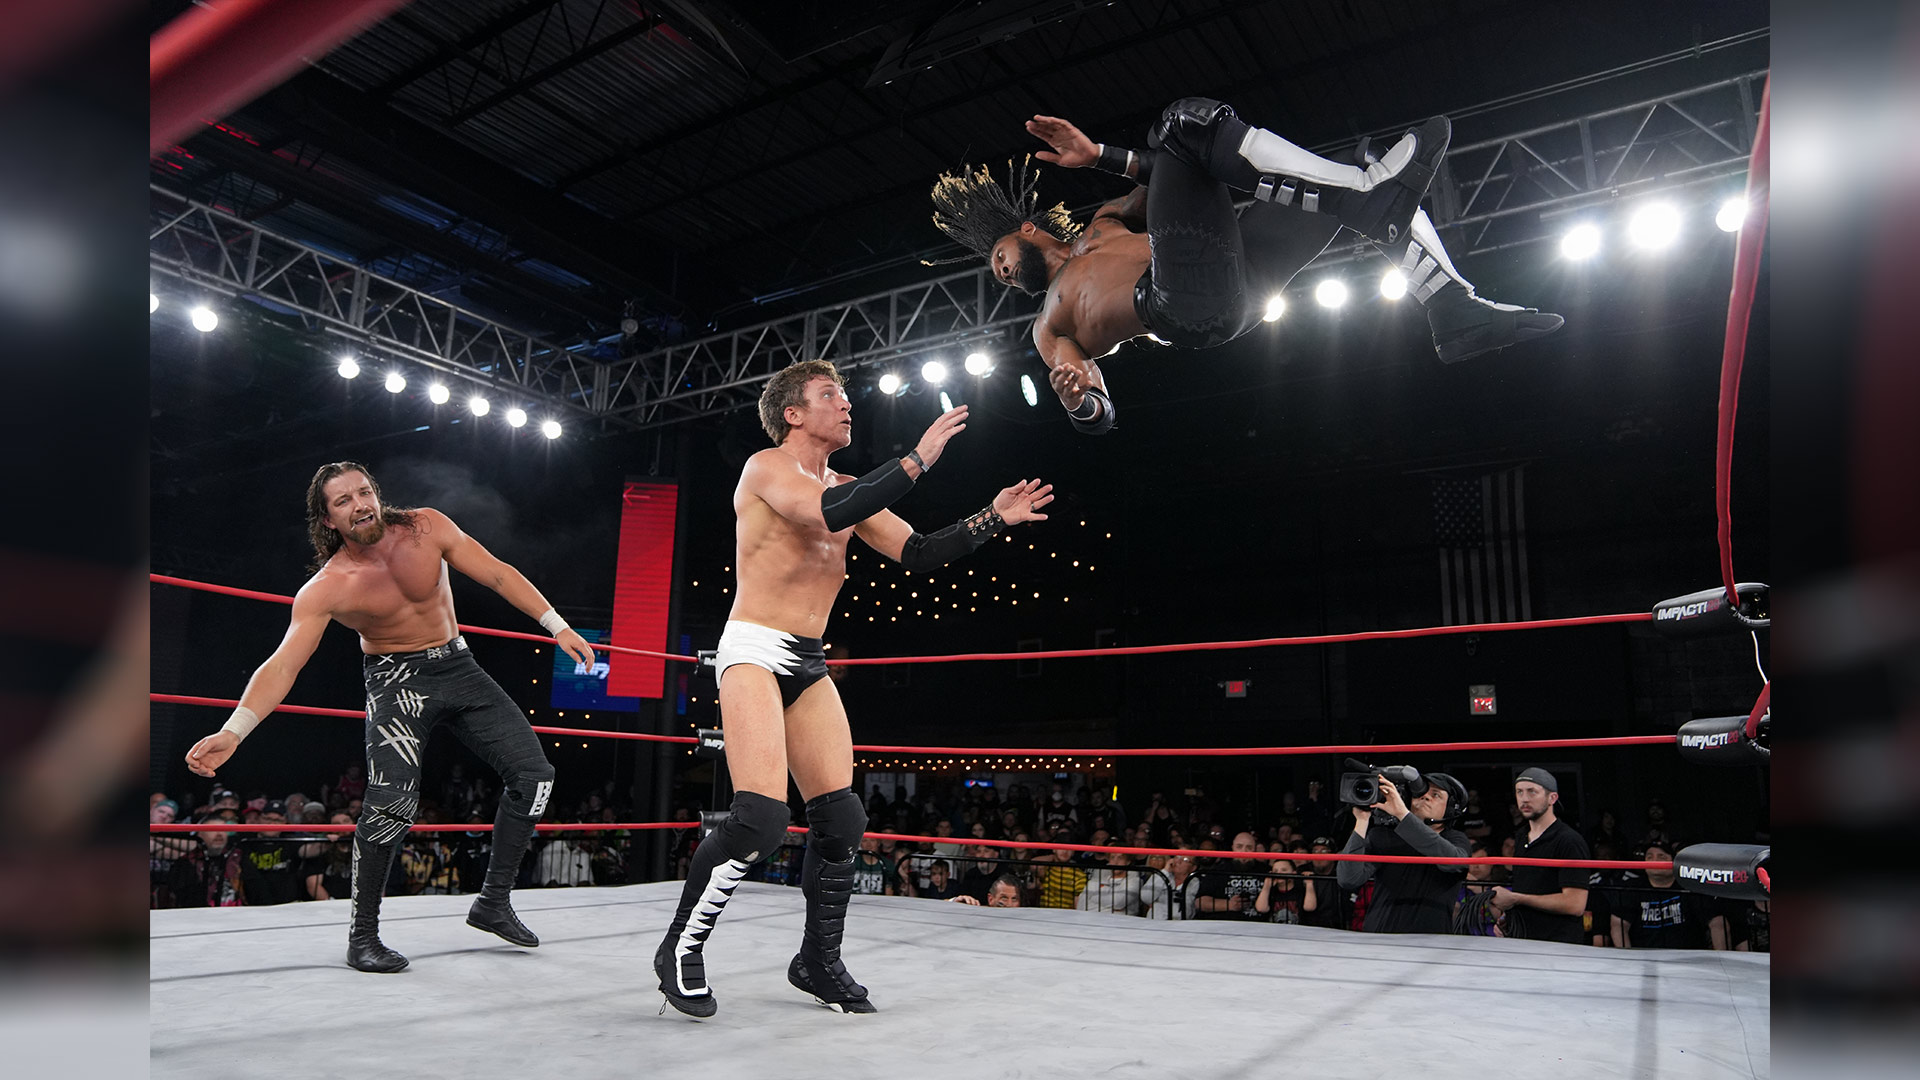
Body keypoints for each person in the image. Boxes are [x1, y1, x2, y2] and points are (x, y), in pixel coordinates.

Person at [653, 359, 1052, 1018]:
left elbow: (918, 551)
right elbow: (826, 512)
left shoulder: (847, 485)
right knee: (760, 819)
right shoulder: (766, 469)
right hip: (754, 649)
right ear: (793, 414)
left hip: (809, 660)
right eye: (829, 395)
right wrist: (917, 460)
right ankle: (681, 947)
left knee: (841, 818)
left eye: (843, 395)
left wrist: (993, 518)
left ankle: (817, 960)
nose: (845, 405)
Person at [182, 461, 593, 972]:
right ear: (327, 519)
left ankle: (493, 902)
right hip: (396, 680)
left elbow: (497, 573)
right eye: (343, 501)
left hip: (458, 666)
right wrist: (234, 730)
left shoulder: (427, 526)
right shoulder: (327, 587)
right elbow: (284, 664)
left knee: (535, 778)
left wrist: (557, 626)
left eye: (364, 492)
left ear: (376, 493)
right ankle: (363, 937)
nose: (359, 505)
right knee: (391, 803)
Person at [928, 103, 1561, 434]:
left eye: (999, 257)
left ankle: (1451, 307)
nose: (1001, 273)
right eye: (997, 274)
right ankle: (1370, 197)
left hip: (1241, 276)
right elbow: (1098, 405)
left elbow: (1174, 170)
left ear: (1028, 230)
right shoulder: (1047, 325)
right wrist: (1081, 404)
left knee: (1342, 168)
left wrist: (1098, 154)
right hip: (1181, 303)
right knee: (1181, 125)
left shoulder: (1105, 222)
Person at [1335, 772, 1471, 933]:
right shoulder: (1384, 836)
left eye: (1436, 795)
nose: (1425, 797)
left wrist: (1402, 814)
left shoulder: (1456, 839)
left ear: (1451, 807)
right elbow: (1349, 879)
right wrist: (1362, 820)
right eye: (1420, 792)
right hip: (1380, 935)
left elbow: (1454, 862)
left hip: (1429, 939)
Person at [1491, 768, 1591, 944]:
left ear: (1552, 798)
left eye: (1532, 791)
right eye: (1519, 792)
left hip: (1558, 943)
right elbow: (1529, 886)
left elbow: (1575, 904)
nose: (1524, 799)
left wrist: (1516, 899)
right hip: (1524, 939)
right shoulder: (1521, 836)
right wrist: (1511, 917)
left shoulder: (1569, 840)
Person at [1609, 838, 1727, 950]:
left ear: (1674, 861)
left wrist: (1721, 958)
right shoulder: (1632, 888)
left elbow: (1717, 923)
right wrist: (1628, 958)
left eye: (1661, 857)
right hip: (1644, 956)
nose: (1654, 861)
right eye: (1649, 857)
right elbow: (1618, 925)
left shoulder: (1690, 887)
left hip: (1688, 957)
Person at [1193, 832, 1266, 920]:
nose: (1244, 851)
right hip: (1224, 922)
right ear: (1233, 848)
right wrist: (1228, 905)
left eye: (1249, 847)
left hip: (1257, 922)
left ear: (1255, 850)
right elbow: (1200, 903)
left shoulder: (1265, 871)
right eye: (1239, 847)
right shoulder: (1219, 871)